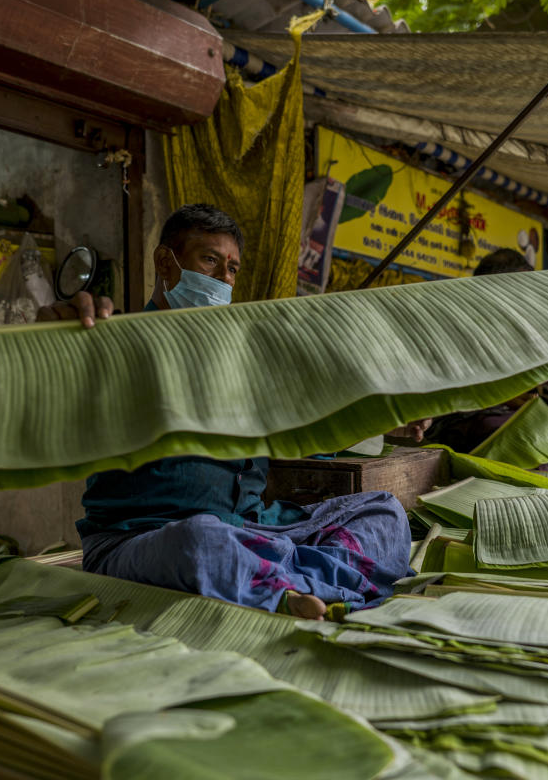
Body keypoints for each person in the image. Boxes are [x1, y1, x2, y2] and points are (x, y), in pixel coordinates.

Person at [39, 204, 412, 620]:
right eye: (210, 260)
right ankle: (305, 583)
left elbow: (308, 438)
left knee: (384, 512)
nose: (223, 278)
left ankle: (276, 582)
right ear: (166, 262)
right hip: (145, 540)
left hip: (254, 530)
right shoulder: (114, 344)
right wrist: (50, 343)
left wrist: (387, 417)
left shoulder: (247, 362)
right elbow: (46, 400)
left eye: (232, 268)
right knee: (201, 540)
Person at [423, 248, 548, 479]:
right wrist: (516, 400)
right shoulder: (461, 321)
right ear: (499, 284)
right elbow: (458, 389)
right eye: (522, 286)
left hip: (498, 415)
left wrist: (524, 398)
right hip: (460, 419)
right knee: (529, 446)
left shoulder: (506, 326)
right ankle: (538, 504)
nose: (526, 295)